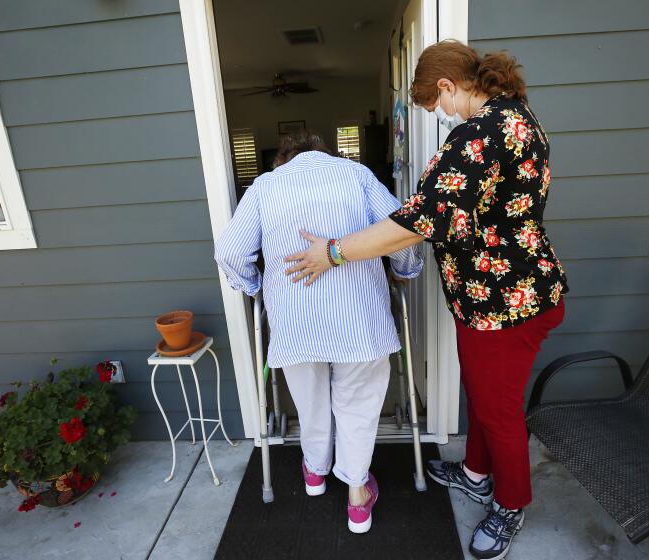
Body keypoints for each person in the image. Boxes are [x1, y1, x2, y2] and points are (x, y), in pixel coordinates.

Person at [283, 42, 568, 559]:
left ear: (446, 86)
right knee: (486, 398)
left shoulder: (481, 133)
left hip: (506, 301)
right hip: (495, 295)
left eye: (435, 106)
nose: (438, 116)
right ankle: (476, 474)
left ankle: (510, 504)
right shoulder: (518, 117)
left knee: (499, 411)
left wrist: (334, 252)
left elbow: (419, 222)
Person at [214, 130, 423, 534]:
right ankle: (357, 496)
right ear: (324, 152)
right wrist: (403, 271)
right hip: (359, 317)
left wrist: (258, 287)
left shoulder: (264, 186)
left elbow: (230, 253)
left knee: (309, 401)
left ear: (284, 159)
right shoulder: (357, 174)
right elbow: (402, 231)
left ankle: (314, 474)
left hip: (295, 321)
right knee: (357, 404)